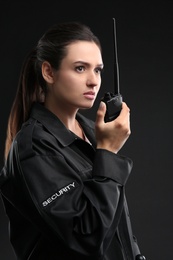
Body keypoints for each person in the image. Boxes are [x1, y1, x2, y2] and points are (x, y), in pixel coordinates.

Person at [0, 21, 146, 260]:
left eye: (97, 70)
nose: (93, 81)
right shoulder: (34, 147)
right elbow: (86, 238)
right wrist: (108, 152)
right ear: (48, 72)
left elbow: (115, 220)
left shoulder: (92, 130)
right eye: (80, 68)